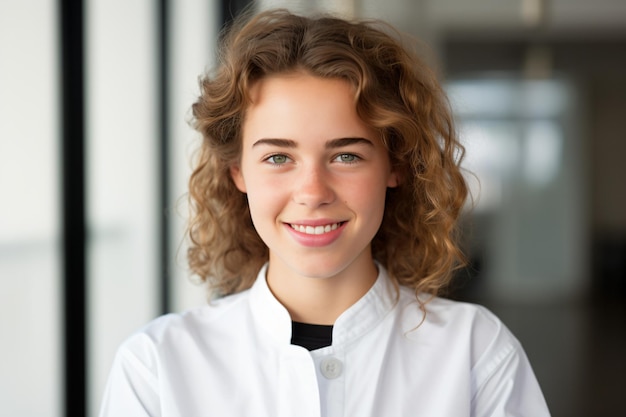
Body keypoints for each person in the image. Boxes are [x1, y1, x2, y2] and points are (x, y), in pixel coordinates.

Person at [99, 8, 550, 417]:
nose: (312, 193)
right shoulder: (157, 365)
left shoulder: (476, 354)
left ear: (394, 165)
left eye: (346, 156)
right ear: (237, 172)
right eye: (278, 157)